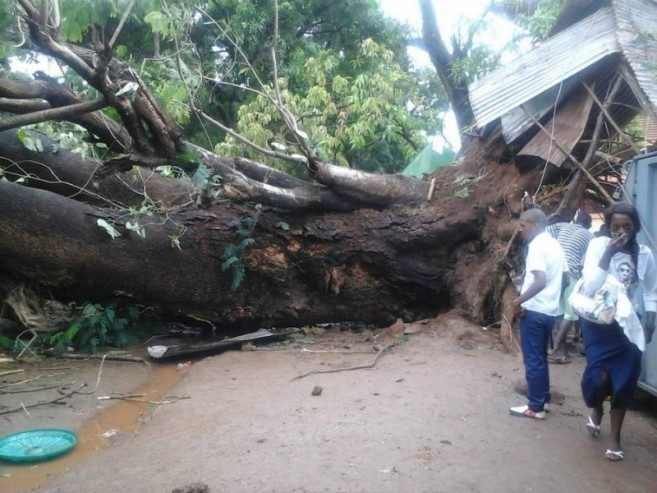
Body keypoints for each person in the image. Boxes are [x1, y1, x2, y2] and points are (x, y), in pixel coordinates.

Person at [578, 202, 657, 461]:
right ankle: (597, 409)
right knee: (598, 380)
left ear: (634, 227)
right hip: (599, 325)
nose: (621, 231)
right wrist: (608, 256)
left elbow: (651, 291)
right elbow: (589, 287)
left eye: (627, 226)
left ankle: (615, 437)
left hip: (628, 328)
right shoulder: (598, 246)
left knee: (624, 382)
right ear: (608, 227)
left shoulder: (644, 253)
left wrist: (650, 323)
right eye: (615, 227)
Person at [510, 209, 569, 419]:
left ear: (534, 225)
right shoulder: (555, 246)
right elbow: (566, 279)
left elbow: (540, 280)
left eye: (523, 225)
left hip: (534, 311)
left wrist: (518, 301)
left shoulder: (536, 246)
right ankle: (543, 399)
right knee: (541, 357)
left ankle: (535, 407)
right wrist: (554, 300)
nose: (520, 229)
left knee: (533, 359)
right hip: (549, 311)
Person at [547, 212, 594, 364]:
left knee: (560, 311)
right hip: (571, 272)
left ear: (576, 221)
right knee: (571, 313)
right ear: (589, 225)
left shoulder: (562, 226)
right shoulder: (590, 237)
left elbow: (545, 232)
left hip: (555, 271)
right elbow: (585, 263)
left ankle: (560, 350)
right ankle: (555, 351)